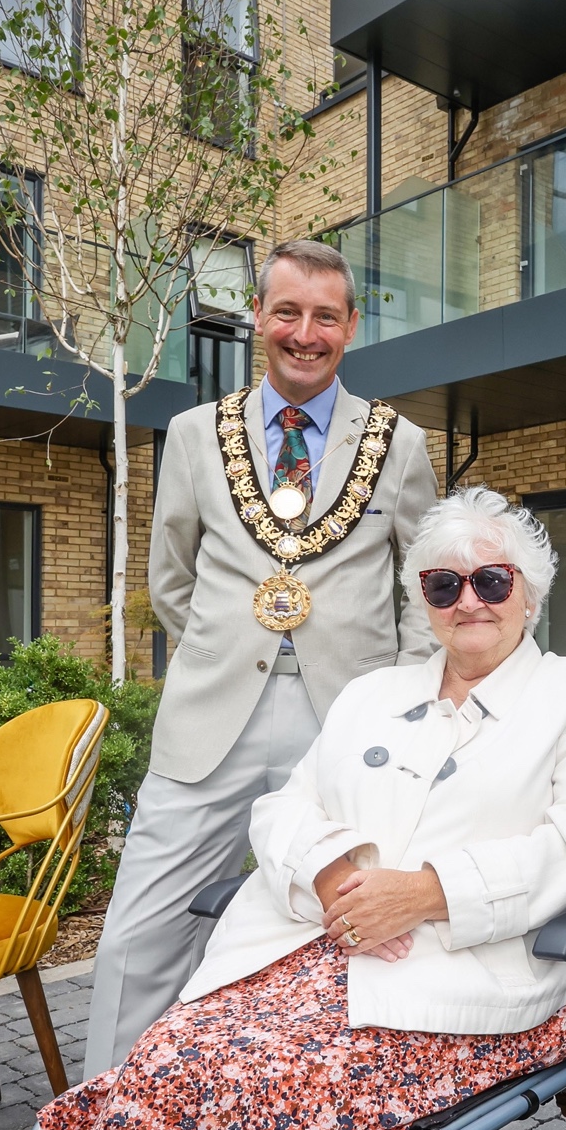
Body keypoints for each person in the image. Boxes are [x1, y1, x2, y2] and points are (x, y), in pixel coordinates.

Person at [42, 488, 566, 1130]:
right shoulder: (375, 692)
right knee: (169, 1057)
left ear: (528, 593)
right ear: (424, 601)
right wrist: (332, 874)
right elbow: (282, 809)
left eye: (491, 581)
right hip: (318, 950)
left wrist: (430, 893)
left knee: (274, 1088)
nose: (468, 601)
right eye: (444, 585)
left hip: (477, 969)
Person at [83, 239, 442, 1077]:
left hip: (348, 726)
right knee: (138, 937)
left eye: (325, 316)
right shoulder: (191, 434)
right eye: (287, 311)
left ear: (351, 326)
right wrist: (228, 648)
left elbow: (424, 591)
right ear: (258, 317)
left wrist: (401, 705)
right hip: (210, 719)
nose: (304, 333)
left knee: (363, 940)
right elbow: (171, 579)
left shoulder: (403, 444)